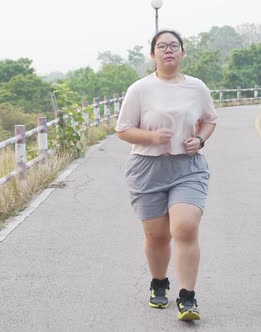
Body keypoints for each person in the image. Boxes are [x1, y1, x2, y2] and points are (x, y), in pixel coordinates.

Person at [115, 29, 217, 321]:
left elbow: (209, 120)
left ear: (183, 52)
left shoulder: (197, 87)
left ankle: (188, 298)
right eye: (162, 46)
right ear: (153, 54)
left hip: (188, 167)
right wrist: (151, 137)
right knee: (157, 235)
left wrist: (200, 140)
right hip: (147, 168)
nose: (168, 50)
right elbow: (123, 130)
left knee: (184, 228)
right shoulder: (139, 89)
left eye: (174, 46)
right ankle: (159, 282)